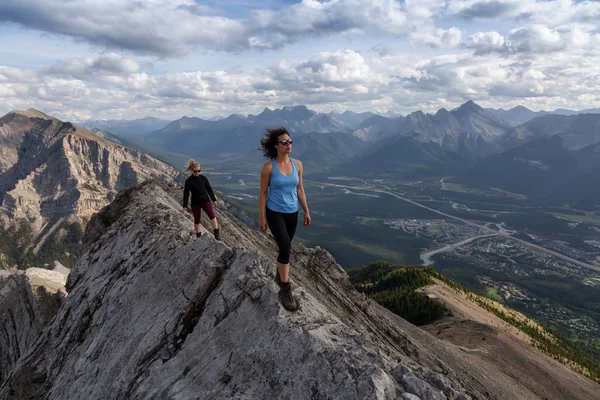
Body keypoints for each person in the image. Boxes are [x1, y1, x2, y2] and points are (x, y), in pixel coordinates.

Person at [259, 128, 311, 311]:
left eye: (290, 141)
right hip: (274, 212)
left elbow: (300, 189)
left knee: (285, 246)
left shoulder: (298, 164)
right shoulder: (269, 167)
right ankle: (285, 287)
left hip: (292, 212)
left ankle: (279, 274)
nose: (289, 144)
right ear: (276, 146)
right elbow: (263, 193)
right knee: (285, 246)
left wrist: (306, 210)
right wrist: (262, 217)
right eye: (284, 142)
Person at [182, 159, 220, 240]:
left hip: (205, 201)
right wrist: (184, 206)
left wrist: (214, 200)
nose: (197, 173)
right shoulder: (188, 181)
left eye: (199, 171)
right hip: (195, 203)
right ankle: (198, 237)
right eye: (195, 171)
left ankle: (217, 234)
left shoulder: (203, 178)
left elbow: (209, 189)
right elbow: (186, 194)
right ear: (191, 171)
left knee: (212, 216)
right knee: (197, 220)